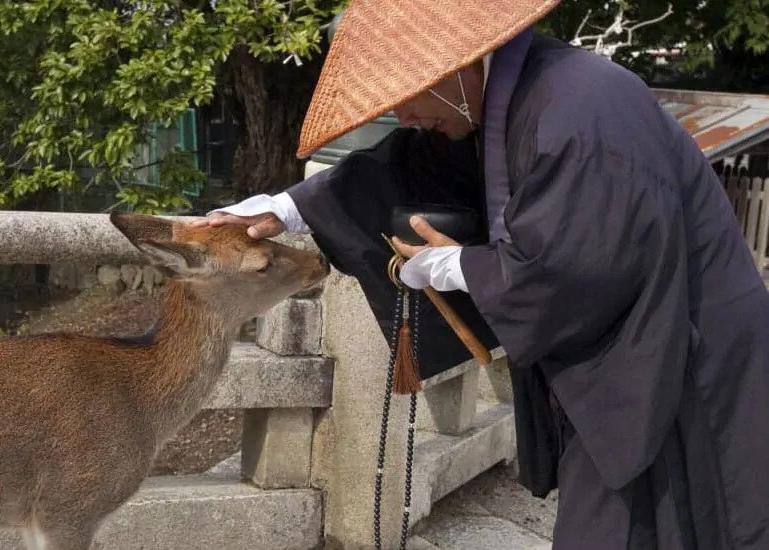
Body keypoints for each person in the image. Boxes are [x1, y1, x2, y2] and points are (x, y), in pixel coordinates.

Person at [193, 0, 769, 548]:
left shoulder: (578, 111)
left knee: (684, 517)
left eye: (406, 97)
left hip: (681, 349)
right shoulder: (514, 97)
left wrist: (463, 264)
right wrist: (288, 207)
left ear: (456, 66)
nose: (405, 116)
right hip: (640, 348)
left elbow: (585, 268)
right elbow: (410, 166)